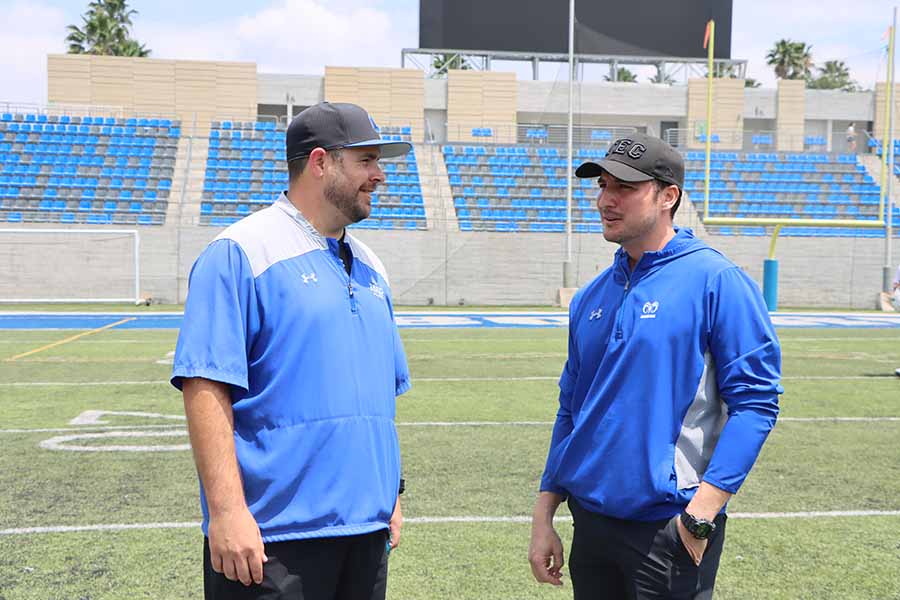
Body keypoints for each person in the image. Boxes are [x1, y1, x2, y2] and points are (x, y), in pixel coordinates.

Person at [171, 101, 412, 600]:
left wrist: (390, 493)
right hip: (273, 539)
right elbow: (205, 385)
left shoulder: (372, 267)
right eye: (367, 160)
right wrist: (227, 511)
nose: (379, 175)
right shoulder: (239, 251)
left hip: (365, 533)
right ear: (321, 162)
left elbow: (376, 396)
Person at [528, 133, 783, 599]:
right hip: (591, 525)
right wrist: (545, 513)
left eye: (624, 187)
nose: (606, 199)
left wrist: (702, 512)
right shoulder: (591, 296)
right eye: (603, 185)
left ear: (669, 196)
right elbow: (570, 409)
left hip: (670, 528)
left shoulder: (718, 281)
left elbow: (757, 404)